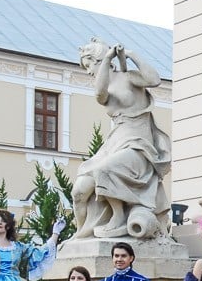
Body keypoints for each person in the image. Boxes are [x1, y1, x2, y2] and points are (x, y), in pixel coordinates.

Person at [72, 38, 172, 240]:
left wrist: (131, 55)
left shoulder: (130, 77)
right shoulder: (105, 85)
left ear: (98, 60)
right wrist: (109, 58)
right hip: (115, 142)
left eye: (89, 65)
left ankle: (118, 215)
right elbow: (99, 94)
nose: (89, 71)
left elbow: (154, 80)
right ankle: (81, 235)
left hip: (138, 143)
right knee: (79, 191)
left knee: (103, 170)